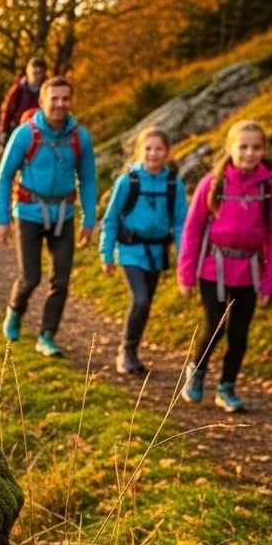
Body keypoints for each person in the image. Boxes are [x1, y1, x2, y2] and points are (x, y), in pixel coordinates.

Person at [177, 120, 272, 412]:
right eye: (243, 147)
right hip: (213, 268)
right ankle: (197, 372)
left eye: (256, 147)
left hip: (250, 272)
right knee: (216, 325)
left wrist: (271, 283)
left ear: (263, 150)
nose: (249, 153)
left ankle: (227, 387)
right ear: (230, 148)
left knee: (240, 332)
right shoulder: (212, 184)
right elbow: (192, 229)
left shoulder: (271, 190)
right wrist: (186, 274)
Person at [0, 75, 97, 357]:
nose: (60, 104)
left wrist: (89, 219)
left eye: (65, 99)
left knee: (61, 281)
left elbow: (88, 179)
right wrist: (1, 219)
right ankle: (15, 310)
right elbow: (4, 177)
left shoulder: (79, 137)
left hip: (64, 214)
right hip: (28, 213)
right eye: (55, 99)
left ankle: (47, 336)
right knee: (31, 277)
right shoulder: (25, 134)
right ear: (42, 101)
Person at [100, 127, 188, 374]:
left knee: (146, 303)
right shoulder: (127, 181)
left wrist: (184, 257)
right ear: (139, 151)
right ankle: (126, 352)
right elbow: (111, 219)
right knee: (140, 299)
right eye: (148, 148)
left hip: (157, 251)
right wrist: (106, 254)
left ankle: (132, 351)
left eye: (159, 149)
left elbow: (181, 222)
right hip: (130, 250)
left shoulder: (173, 184)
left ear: (167, 152)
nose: (153, 154)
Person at [0, 57, 48, 146]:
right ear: (28, 72)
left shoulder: (47, 90)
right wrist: (3, 130)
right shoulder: (18, 89)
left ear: (43, 73)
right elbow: (7, 110)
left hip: (40, 130)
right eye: (34, 73)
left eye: (39, 73)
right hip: (18, 128)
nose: (36, 76)